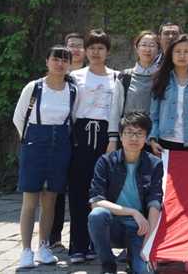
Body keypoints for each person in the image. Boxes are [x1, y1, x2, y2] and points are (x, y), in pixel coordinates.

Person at [13, 46, 78, 269]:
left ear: (69, 64)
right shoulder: (34, 87)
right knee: (30, 199)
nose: (60, 63)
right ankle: (25, 250)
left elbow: (73, 118)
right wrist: (30, 142)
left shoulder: (72, 90)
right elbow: (18, 118)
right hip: (35, 144)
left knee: (50, 200)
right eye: (56, 59)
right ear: (47, 61)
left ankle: (44, 246)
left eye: (65, 60)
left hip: (60, 145)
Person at [68, 29, 122, 263]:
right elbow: (70, 109)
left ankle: (96, 244)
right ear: (86, 51)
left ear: (107, 51)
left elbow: (117, 110)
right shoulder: (75, 76)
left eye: (100, 48)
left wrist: (113, 139)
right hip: (80, 136)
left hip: (106, 136)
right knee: (78, 190)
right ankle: (77, 246)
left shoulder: (117, 77)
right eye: (91, 48)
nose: (96, 52)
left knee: (102, 191)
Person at [88, 111, 163, 274]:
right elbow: (96, 201)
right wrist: (133, 212)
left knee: (145, 271)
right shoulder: (106, 161)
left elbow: (155, 203)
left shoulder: (155, 164)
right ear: (121, 136)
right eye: (129, 132)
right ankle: (108, 265)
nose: (134, 138)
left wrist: (148, 244)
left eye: (139, 133)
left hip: (140, 228)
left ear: (146, 138)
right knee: (97, 215)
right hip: (113, 224)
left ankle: (133, 257)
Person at [50, 33, 85, 248]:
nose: (75, 49)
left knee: (81, 189)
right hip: (62, 137)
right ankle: (54, 236)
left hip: (83, 137)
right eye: (71, 46)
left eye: (79, 46)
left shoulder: (90, 75)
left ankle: (81, 237)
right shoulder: (58, 76)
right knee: (57, 188)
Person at [148, 34, 188, 154]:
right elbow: (154, 115)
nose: (182, 55)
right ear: (171, 55)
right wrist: (152, 139)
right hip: (163, 143)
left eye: (186, 51)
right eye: (177, 51)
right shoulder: (161, 80)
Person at [112, 31, 160, 118]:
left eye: (152, 46)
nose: (147, 49)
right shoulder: (125, 77)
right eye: (144, 45)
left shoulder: (163, 77)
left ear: (158, 50)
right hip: (130, 126)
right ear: (137, 48)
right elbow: (115, 110)